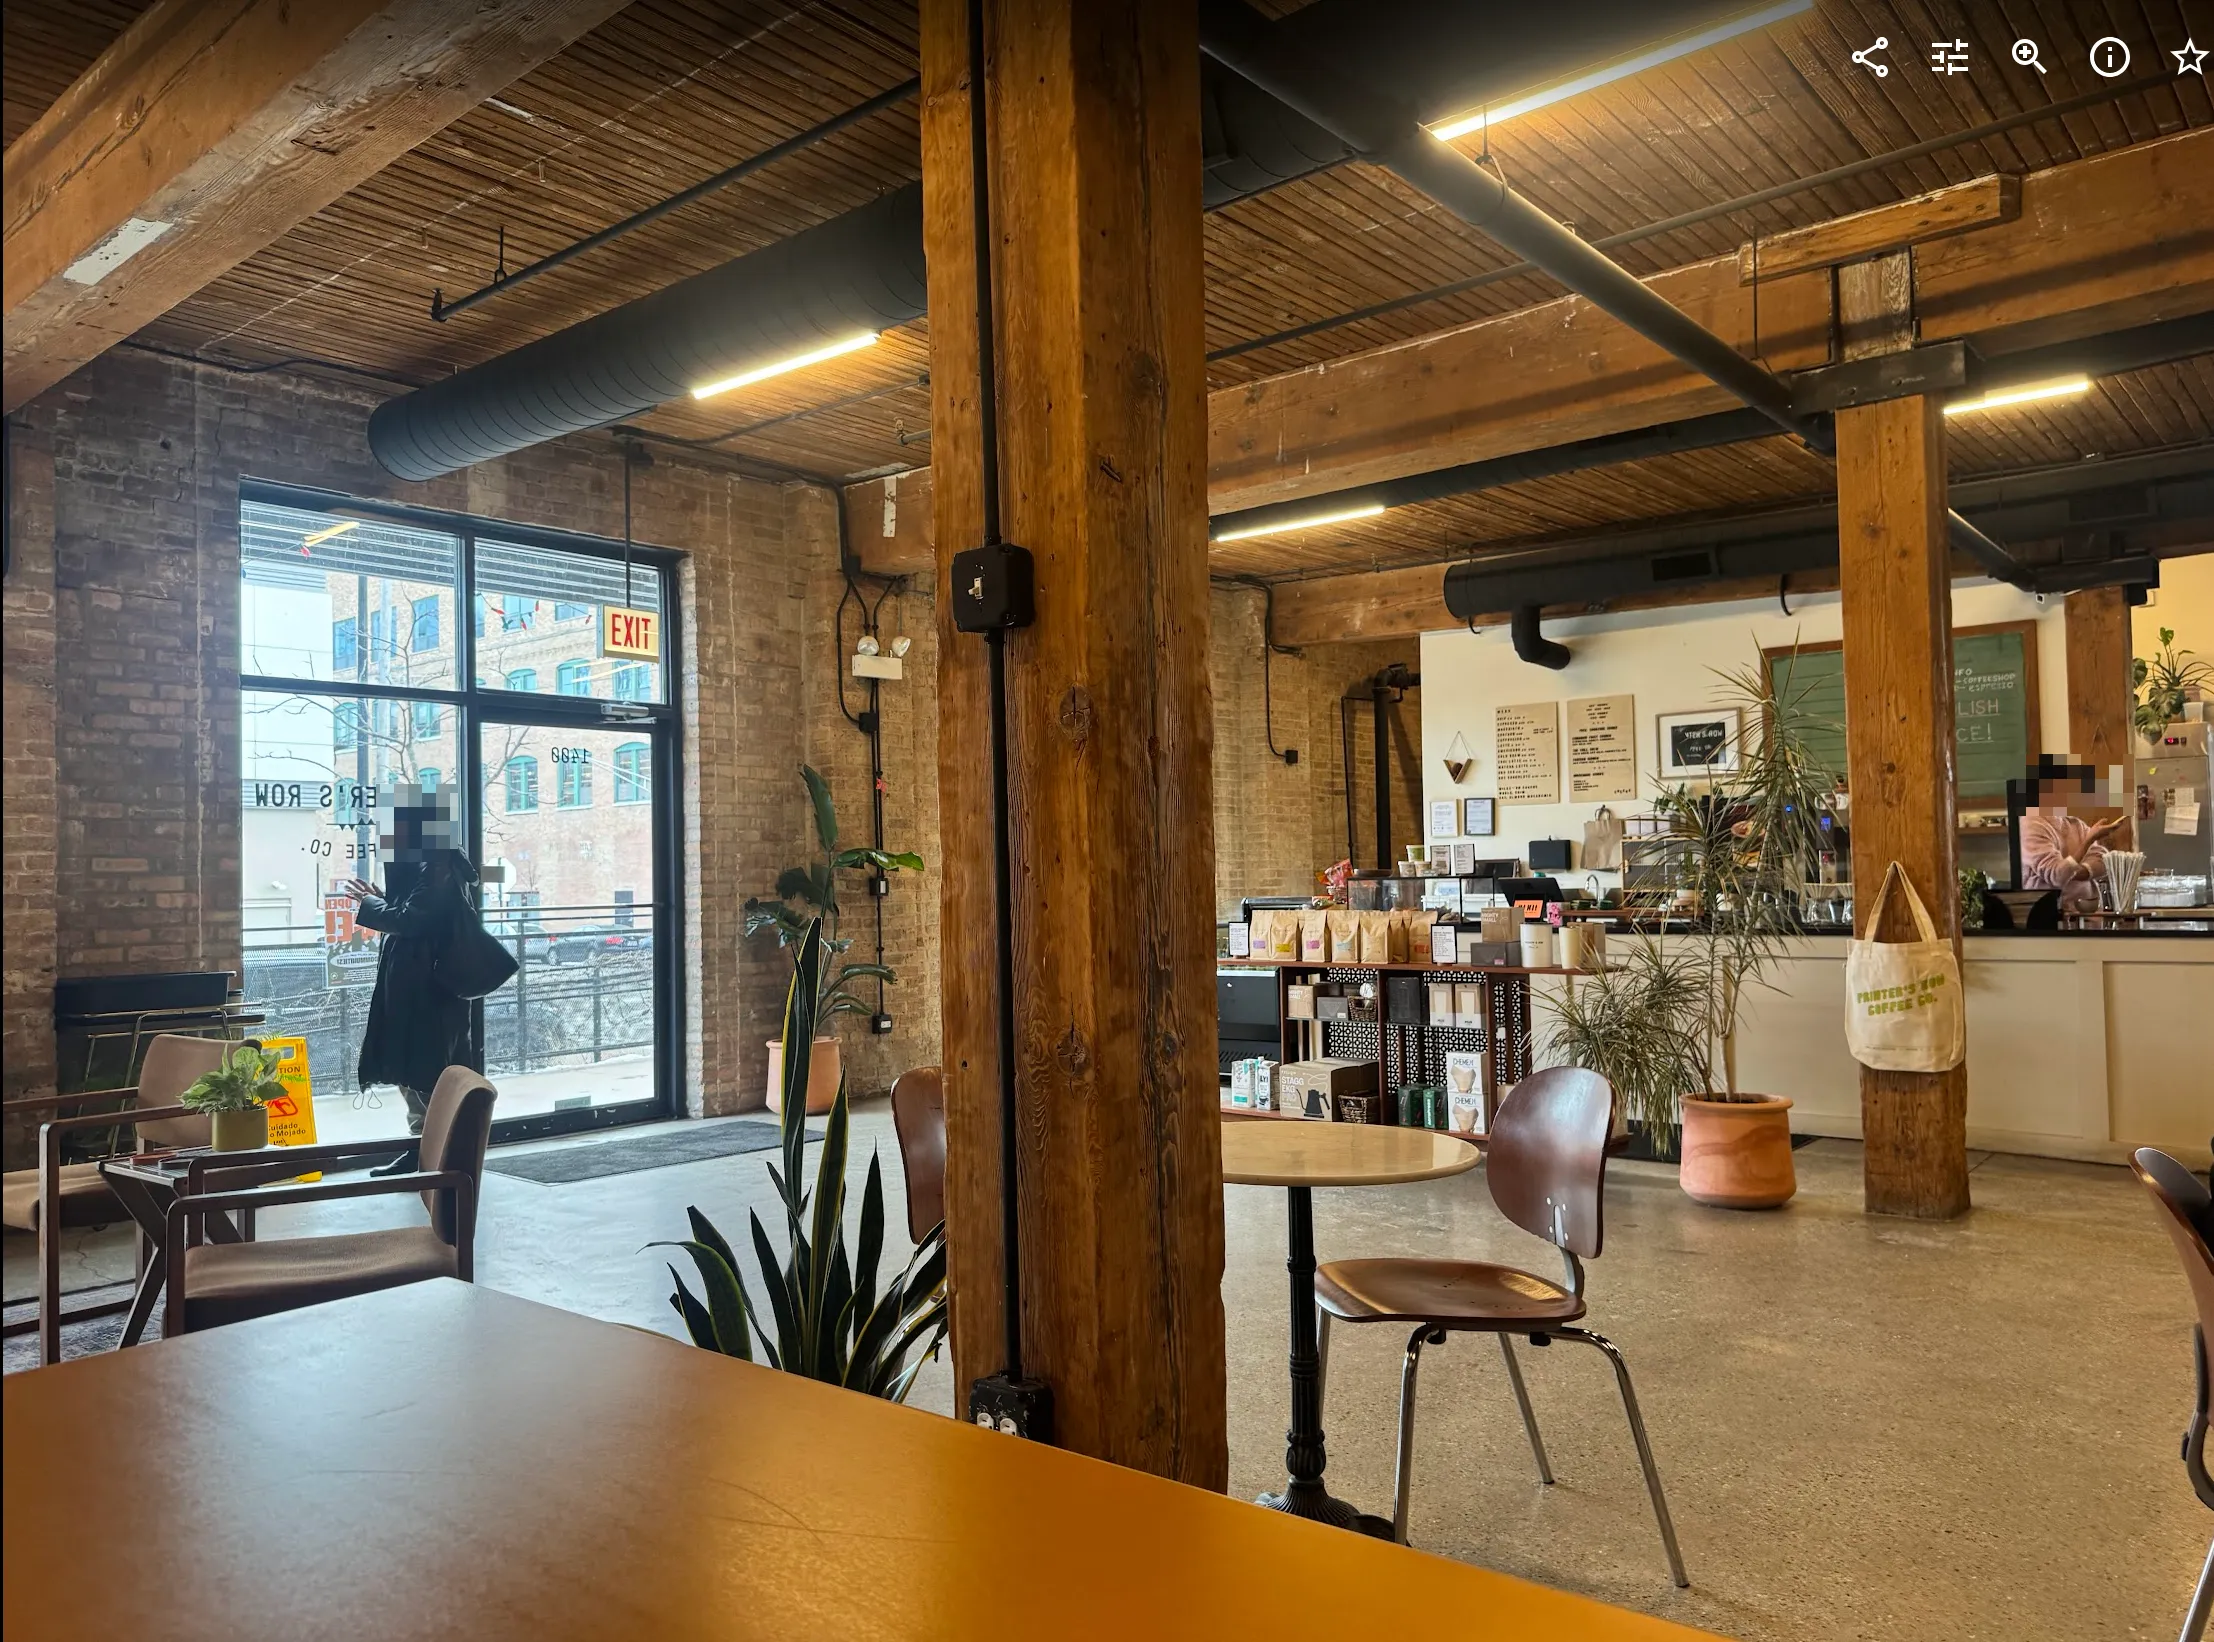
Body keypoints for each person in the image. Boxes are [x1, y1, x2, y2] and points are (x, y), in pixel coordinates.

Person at [338, 784, 480, 1168]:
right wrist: (381, 898)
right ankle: (423, 1149)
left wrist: (372, 904)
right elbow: (414, 911)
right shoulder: (429, 865)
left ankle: (440, 1155)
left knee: (426, 1069)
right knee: (410, 1065)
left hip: (428, 990)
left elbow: (412, 919)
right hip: (416, 985)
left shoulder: (437, 866)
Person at [2017, 771, 2127, 915]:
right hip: (2051, 919)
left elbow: (2102, 860)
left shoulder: (2075, 824)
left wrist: (2074, 870)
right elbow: (2057, 875)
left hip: (2087, 917)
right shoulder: (2031, 824)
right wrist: (2088, 841)